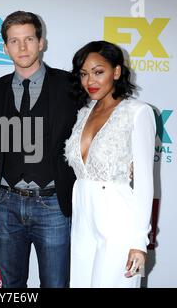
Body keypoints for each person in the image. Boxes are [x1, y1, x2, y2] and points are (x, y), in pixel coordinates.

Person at [0, 11, 77, 288]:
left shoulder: (69, 86)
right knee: (11, 286)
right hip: (7, 203)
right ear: (5, 47)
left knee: (55, 283)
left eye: (28, 39)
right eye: (14, 41)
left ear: (41, 42)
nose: (22, 47)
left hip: (52, 204)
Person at [65, 40, 155, 287]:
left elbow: (145, 182)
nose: (90, 81)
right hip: (83, 220)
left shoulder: (138, 112)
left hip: (118, 220)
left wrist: (139, 242)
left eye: (98, 72)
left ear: (116, 72)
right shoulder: (85, 112)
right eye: (84, 74)